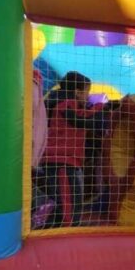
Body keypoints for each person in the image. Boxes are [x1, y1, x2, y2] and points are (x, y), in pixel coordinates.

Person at [40, 71, 110, 228]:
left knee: (74, 199)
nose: (87, 96)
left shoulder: (67, 103)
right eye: (87, 92)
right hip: (61, 160)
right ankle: (63, 231)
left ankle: (68, 228)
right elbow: (80, 119)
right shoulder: (66, 103)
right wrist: (102, 108)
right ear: (78, 92)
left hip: (69, 161)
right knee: (68, 202)